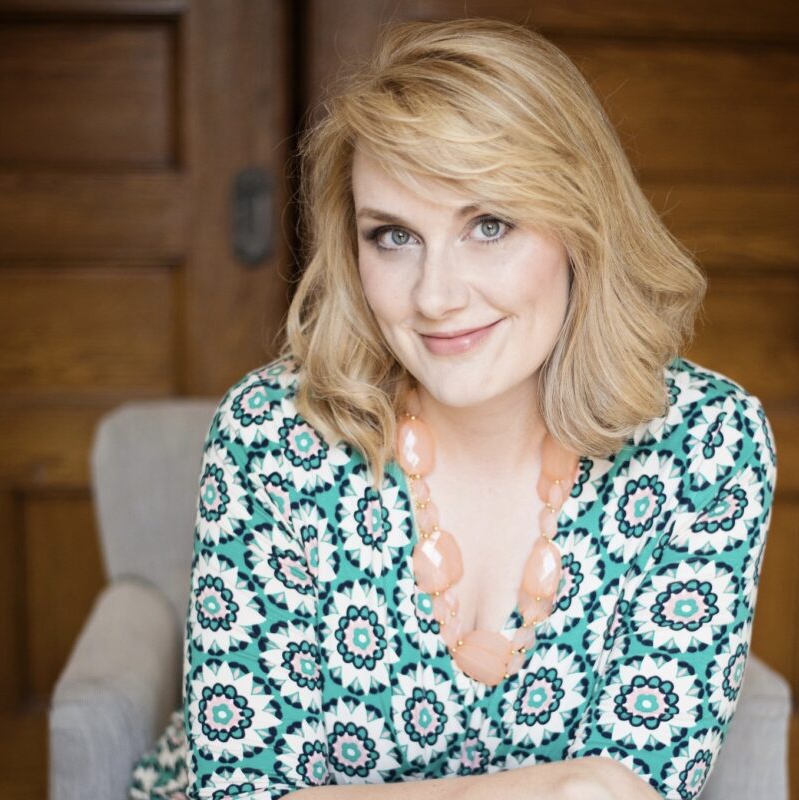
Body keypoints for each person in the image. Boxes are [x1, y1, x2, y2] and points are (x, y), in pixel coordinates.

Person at [129, 17, 777, 800]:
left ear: (583, 224)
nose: (435, 297)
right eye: (394, 236)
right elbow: (243, 791)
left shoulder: (705, 447)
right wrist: (549, 789)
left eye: (489, 225)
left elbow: (632, 787)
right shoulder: (271, 439)